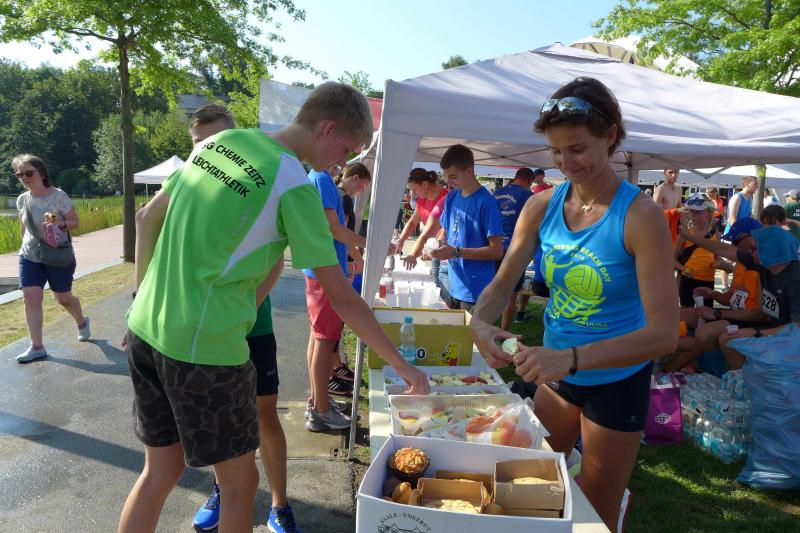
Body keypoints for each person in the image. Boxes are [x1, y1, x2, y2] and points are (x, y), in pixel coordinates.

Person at [119, 82, 429, 533]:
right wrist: (402, 365)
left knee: (160, 470)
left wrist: (139, 300)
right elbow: (342, 296)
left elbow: (147, 217)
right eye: (346, 149)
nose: (341, 162)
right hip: (207, 348)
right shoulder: (295, 186)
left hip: (145, 327)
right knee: (240, 483)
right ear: (327, 128)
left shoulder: (220, 142)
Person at [469, 77, 677, 530]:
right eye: (555, 151)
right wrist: (479, 321)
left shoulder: (640, 216)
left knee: (595, 514)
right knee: (529, 491)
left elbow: (664, 334)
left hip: (617, 378)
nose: (566, 163)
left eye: (578, 149)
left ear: (611, 136)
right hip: (557, 375)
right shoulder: (540, 207)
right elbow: (503, 283)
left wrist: (570, 358)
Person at [183, 104, 301, 532]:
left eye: (216, 140)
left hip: (252, 325)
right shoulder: (188, 186)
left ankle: (279, 506)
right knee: (220, 421)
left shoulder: (257, 183)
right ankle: (222, 489)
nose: (209, 149)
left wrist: (248, 307)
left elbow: (277, 254)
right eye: (200, 144)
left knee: (264, 416)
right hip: (206, 329)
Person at [303, 161, 372, 431]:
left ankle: (318, 400)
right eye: (343, 149)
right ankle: (320, 410)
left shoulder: (321, 178)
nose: (343, 161)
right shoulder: (321, 179)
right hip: (325, 271)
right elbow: (334, 229)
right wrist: (370, 243)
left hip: (324, 268)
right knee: (325, 340)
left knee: (319, 338)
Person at [679, 219, 799, 369]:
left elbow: (796, 327)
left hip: (784, 336)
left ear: (770, 251)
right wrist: (689, 236)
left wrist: (756, 333)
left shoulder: (794, 279)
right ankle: (731, 376)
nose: (749, 252)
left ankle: (738, 379)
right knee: (689, 318)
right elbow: (724, 249)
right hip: (770, 325)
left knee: (727, 338)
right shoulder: (764, 265)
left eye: (753, 249)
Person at [13, 154, 90, 363]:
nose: (24, 178)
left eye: (29, 173)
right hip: (30, 255)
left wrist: (60, 224)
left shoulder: (58, 196)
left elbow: (75, 222)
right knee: (30, 297)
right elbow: (23, 228)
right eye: (20, 175)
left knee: (63, 298)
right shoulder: (22, 199)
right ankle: (37, 347)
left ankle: (82, 321)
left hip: (57, 255)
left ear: (41, 173)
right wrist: (22, 246)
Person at [665, 218, 768, 372]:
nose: (733, 244)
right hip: (734, 314)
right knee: (677, 315)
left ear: (752, 237)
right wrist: (712, 294)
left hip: (747, 320)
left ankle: (717, 372)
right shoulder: (741, 264)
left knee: (703, 334)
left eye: (736, 240)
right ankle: (670, 368)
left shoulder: (762, 267)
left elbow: (759, 315)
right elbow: (730, 298)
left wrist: (717, 313)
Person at [429, 144, 504, 313]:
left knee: (473, 331)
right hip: (453, 283)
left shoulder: (487, 202)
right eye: (446, 177)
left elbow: (497, 251)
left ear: (469, 171)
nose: (449, 182)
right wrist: (437, 246)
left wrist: (456, 252)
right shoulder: (452, 197)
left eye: (453, 176)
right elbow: (445, 231)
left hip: (477, 289)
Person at [494, 168, 534, 329]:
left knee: (489, 290)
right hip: (515, 249)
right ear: (529, 181)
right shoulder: (529, 196)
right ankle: (503, 334)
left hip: (493, 246)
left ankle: (483, 327)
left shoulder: (496, 193)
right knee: (510, 295)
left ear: (516, 177)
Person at [397, 168, 448, 280]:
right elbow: (412, 222)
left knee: (440, 280)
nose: (413, 194)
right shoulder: (422, 199)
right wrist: (401, 240)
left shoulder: (445, 197)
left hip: (445, 249)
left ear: (424, 184)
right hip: (432, 246)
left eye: (414, 189)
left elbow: (429, 232)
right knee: (435, 278)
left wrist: (413, 254)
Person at [673, 193, 721, 308]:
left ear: (709, 214)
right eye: (691, 212)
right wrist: (684, 269)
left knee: (706, 312)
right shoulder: (684, 234)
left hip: (707, 280)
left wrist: (718, 264)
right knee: (687, 310)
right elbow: (672, 259)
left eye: (697, 212)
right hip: (688, 279)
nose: (693, 215)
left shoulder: (716, 235)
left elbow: (717, 258)